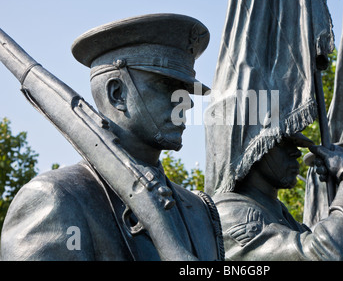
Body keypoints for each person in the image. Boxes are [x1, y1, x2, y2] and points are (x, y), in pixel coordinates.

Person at [0, 14, 223, 261]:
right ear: (117, 93)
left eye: (186, 92)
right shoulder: (55, 199)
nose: (187, 103)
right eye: (167, 86)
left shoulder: (201, 213)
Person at [212, 133, 343, 261]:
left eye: (296, 144)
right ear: (251, 147)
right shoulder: (232, 213)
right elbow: (333, 252)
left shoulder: (284, 218)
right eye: (283, 142)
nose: (297, 153)